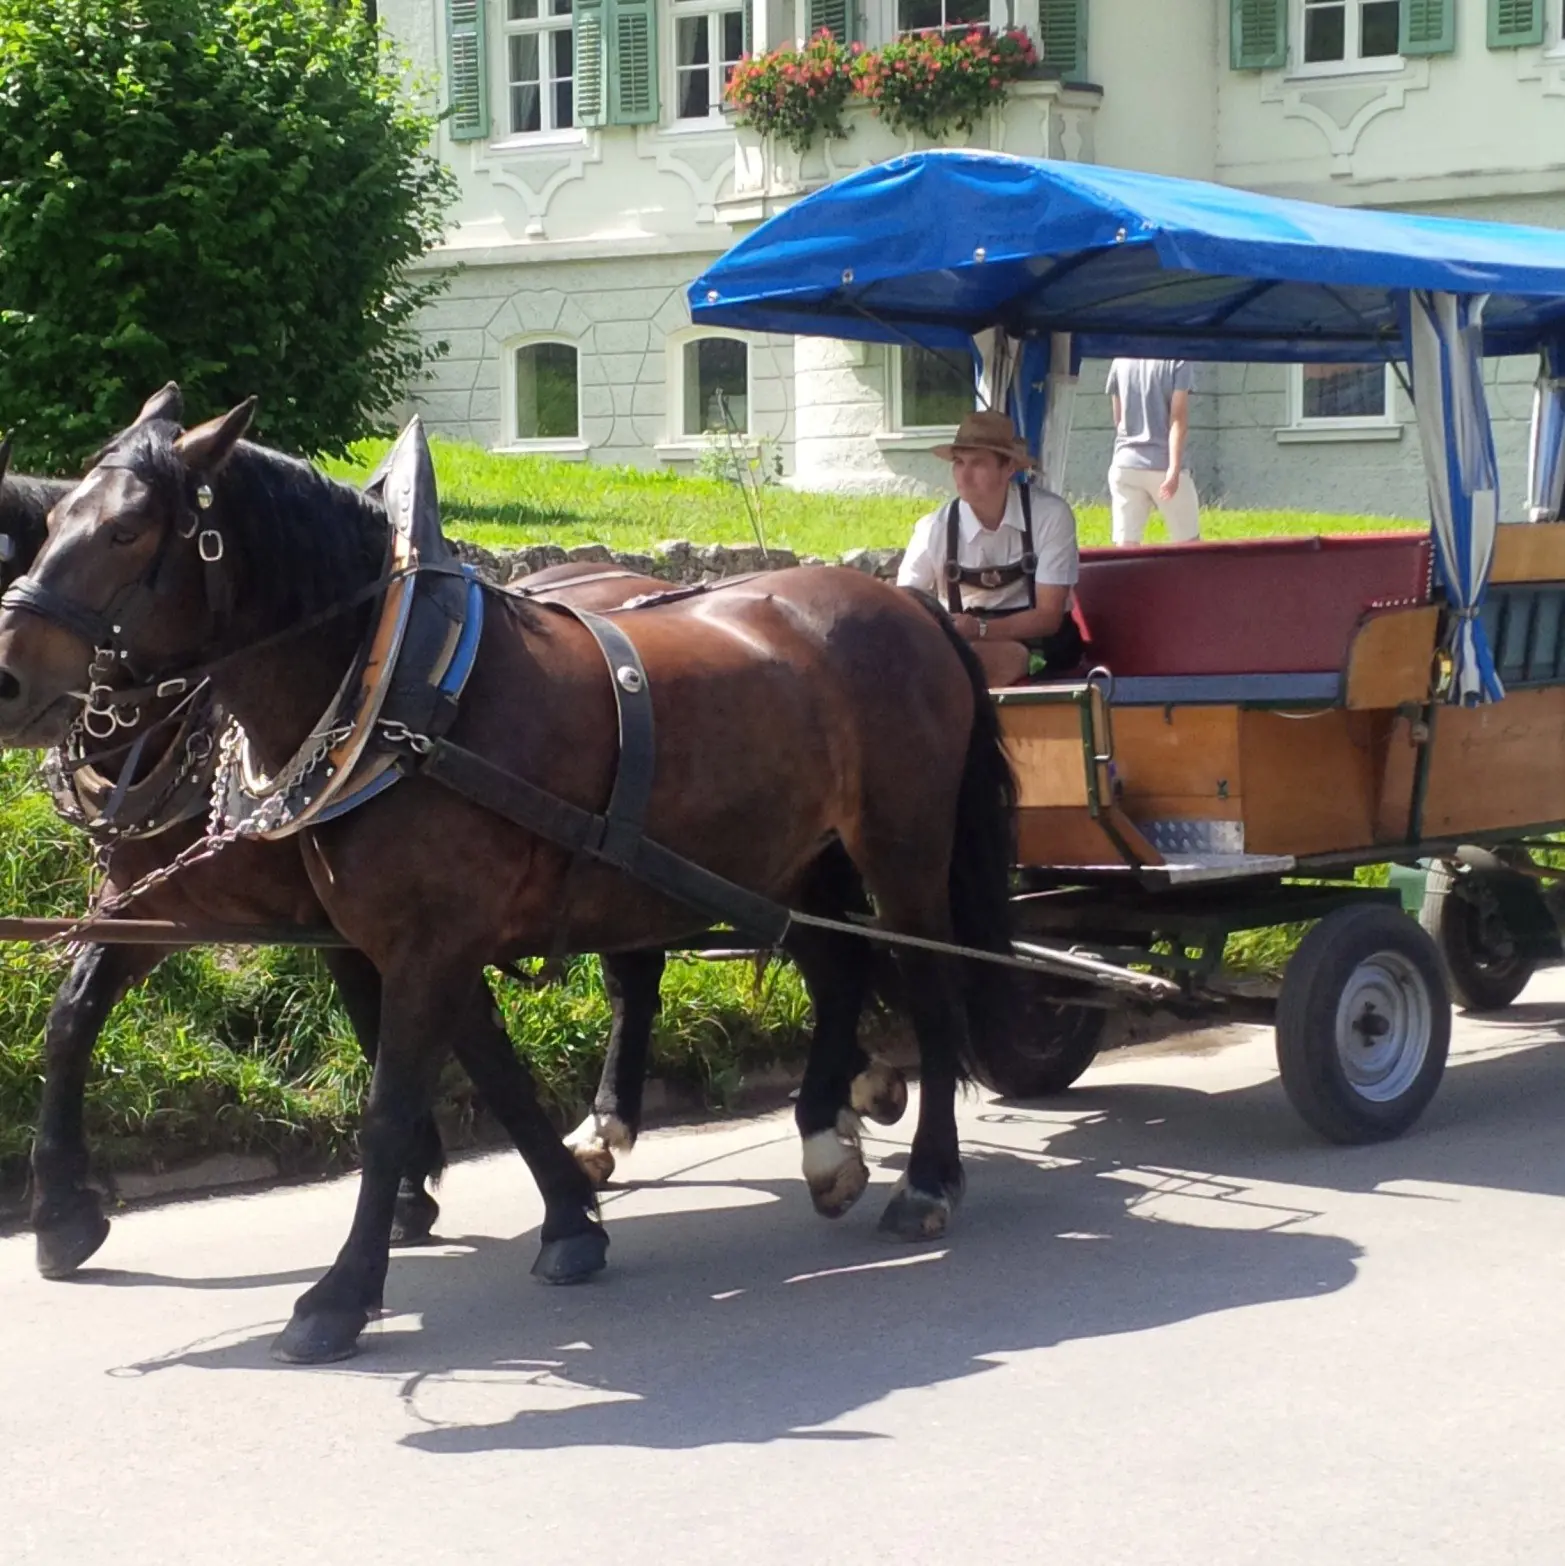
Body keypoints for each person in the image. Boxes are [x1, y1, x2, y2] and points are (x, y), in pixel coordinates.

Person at [896, 409, 1082, 687]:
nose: (964, 475)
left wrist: (980, 629)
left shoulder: (1050, 515)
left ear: (1008, 468)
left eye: (978, 463)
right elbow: (904, 604)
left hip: (1041, 646)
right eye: (959, 462)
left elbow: (1049, 617)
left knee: (989, 658)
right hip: (961, 645)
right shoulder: (934, 527)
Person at [1104, 357, 1201, 546]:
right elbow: (1178, 420)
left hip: (1125, 463)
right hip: (1163, 464)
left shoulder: (1120, 360)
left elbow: (1118, 419)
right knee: (1190, 545)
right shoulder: (1179, 361)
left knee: (1125, 547)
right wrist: (1173, 469)